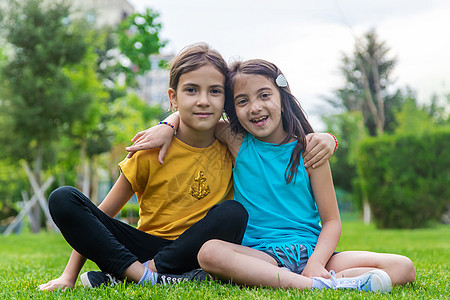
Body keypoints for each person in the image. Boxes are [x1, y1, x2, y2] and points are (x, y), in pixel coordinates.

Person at [38, 43, 251, 291]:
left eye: (214, 91)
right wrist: (68, 276)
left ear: (225, 99)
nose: (203, 101)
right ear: (173, 97)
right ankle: (148, 275)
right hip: (142, 247)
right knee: (63, 198)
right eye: (191, 90)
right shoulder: (149, 149)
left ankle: (137, 276)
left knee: (234, 213)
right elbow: (104, 213)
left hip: (200, 251)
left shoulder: (232, 146)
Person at [194, 59, 416, 292]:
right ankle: (317, 285)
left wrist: (316, 263)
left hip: (312, 252)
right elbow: (195, 119)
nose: (255, 107)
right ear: (234, 111)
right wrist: (166, 126)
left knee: (403, 267)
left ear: (282, 99)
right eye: (243, 101)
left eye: (264, 95)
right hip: (260, 256)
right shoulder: (236, 142)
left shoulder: (310, 150)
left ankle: (310, 279)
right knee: (210, 252)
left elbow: (331, 221)